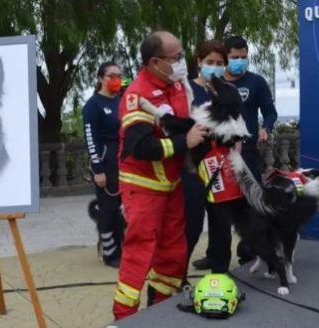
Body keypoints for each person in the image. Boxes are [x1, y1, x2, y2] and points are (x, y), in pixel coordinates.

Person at [113, 31, 209, 320]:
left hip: (172, 184)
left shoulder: (178, 86)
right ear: (155, 62)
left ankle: (159, 312)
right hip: (142, 186)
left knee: (173, 252)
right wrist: (184, 143)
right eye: (176, 57)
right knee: (139, 252)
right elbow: (140, 147)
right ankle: (124, 316)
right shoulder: (136, 93)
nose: (182, 63)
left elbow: (184, 124)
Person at [223, 35, 278, 264]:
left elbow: (270, 112)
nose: (239, 61)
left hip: (247, 151)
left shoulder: (256, 82)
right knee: (220, 204)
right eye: (235, 57)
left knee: (251, 202)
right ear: (225, 57)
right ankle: (216, 253)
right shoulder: (214, 81)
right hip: (219, 153)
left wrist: (266, 127)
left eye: (243, 57)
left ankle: (248, 251)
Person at [182, 40, 226, 278]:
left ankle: (220, 274)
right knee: (193, 225)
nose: (215, 67)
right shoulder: (186, 90)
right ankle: (176, 276)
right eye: (210, 62)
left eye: (220, 63)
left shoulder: (225, 92)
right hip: (192, 168)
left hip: (219, 167)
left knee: (221, 224)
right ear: (199, 62)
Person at [82, 61, 124, 268]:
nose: (116, 80)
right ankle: (109, 253)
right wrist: (98, 169)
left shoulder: (121, 101)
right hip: (106, 160)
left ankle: (122, 246)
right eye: (111, 76)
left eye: (119, 76)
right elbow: (91, 139)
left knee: (123, 209)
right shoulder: (93, 105)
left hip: (124, 159)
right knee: (108, 209)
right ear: (101, 79)